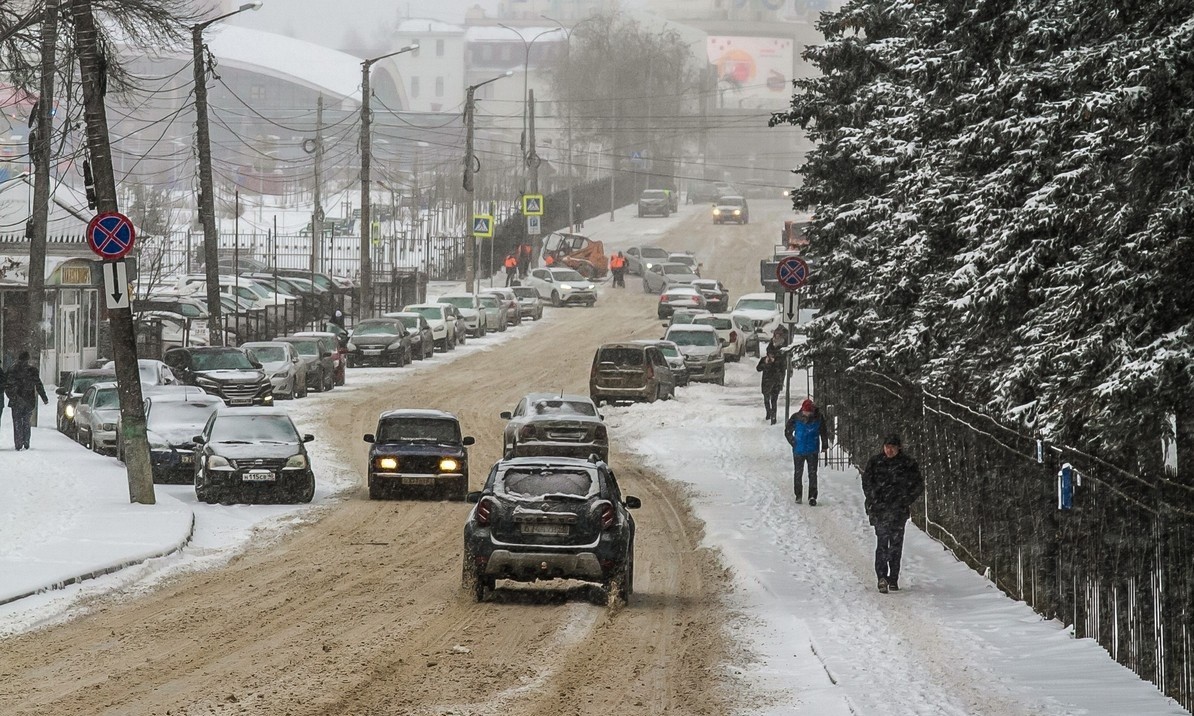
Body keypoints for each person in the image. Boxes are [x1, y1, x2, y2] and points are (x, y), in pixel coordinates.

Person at [861, 434, 924, 593]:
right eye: (887, 447)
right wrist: (873, 498)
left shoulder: (907, 464)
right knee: (882, 542)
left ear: (899, 448)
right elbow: (867, 482)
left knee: (895, 545)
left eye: (892, 447)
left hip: (898, 511)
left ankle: (893, 578)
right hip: (879, 509)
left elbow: (918, 485)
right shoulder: (875, 463)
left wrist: (905, 499)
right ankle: (881, 577)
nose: (889, 450)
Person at [784, 398, 830, 505]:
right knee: (798, 474)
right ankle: (798, 495)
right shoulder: (796, 417)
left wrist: (824, 445)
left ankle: (812, 496)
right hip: (799, 450)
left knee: (812, 474)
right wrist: (793, 442)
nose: (807, 414)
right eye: (806, 411)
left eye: (809, 411)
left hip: (812, 450)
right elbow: (787, 431)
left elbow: (823, 432)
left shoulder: (818, 418)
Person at [5, 351, 48, 450]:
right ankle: (26, 442)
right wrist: (44, 397)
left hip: (16, 401)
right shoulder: (32, 370)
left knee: (17, 422)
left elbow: (8, 386)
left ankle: (18, 443)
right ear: (28, 359)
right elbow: (38, 384)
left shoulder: (12, 370)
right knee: (26, 422)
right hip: (29, 400)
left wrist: (13, 397)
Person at [755, 343, 784, 424]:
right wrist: (765, 364)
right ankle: (768, 412)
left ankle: (773, 417)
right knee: (766, 399)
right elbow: (758, 368)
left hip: (775, 383)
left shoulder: (778, 360)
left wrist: (773, 364)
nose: (771, 355)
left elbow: (781, 371)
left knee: (774, 401)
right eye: (769, 353)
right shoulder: (764, 359)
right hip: (766, 382)